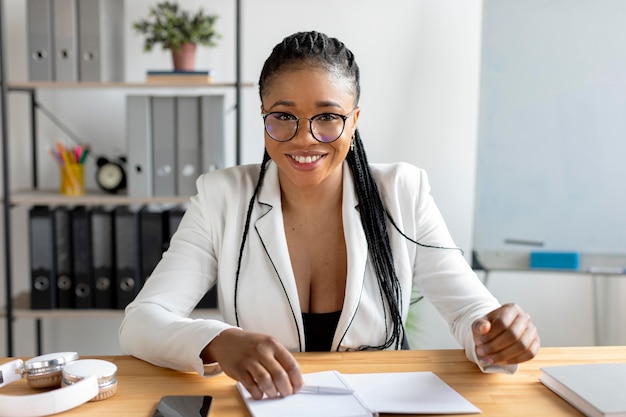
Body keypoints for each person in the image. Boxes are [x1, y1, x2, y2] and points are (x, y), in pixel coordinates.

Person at [119, 30, 540, 400]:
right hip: (269, 407)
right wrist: (219, 341)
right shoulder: (222, 197)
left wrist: (498, 335)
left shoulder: (403, 193)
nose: (305, 137)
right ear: (263, 116)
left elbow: (473, 314)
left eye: (327, 117)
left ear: (354, 121)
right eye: (283, 117)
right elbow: (141, 322)